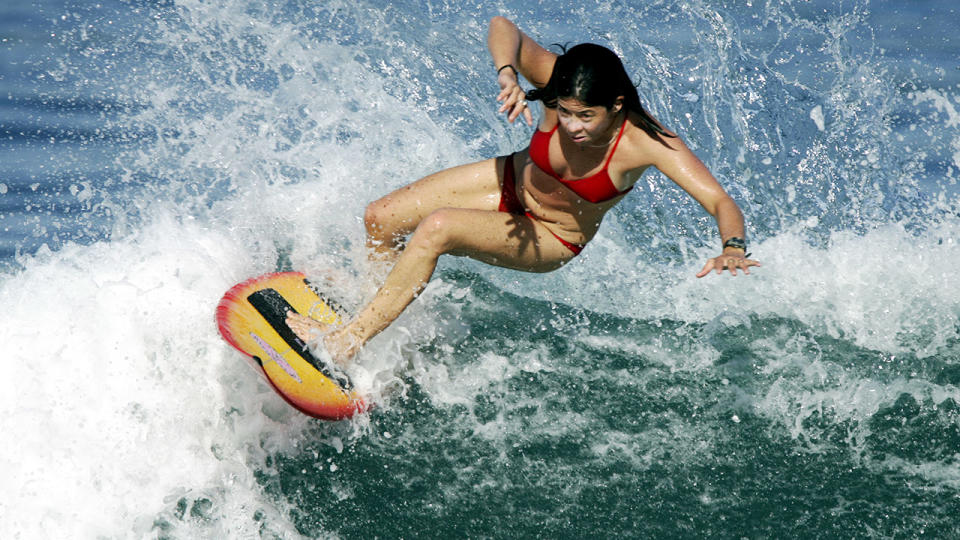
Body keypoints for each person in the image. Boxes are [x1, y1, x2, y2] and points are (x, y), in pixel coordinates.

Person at [287, 16, 760, 364]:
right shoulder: (560, 80)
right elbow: (502, 26)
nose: (572, 126)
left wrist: (732, 247)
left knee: (437, 229)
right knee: (380, 216)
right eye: (565, 112)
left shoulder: (648, 142)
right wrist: (507, 74)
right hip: (511, 181)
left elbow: (720, 201)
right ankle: (374, 303)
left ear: (616, 105)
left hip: (552, 235)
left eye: (586, 116)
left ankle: (347, 341)